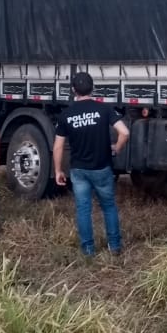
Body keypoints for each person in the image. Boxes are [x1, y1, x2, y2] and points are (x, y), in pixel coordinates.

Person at [53, 71, 131, 258]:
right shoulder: (104, 109)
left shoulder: (66, 115)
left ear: (74, 90)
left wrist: (58, 170)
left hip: (79, 170)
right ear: (93, 88)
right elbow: (125, 132)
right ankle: (114, 246)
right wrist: (117, 148)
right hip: (102, 168)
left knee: (83, 210)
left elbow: (58, 146)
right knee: (109, 207)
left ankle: (88, 250)